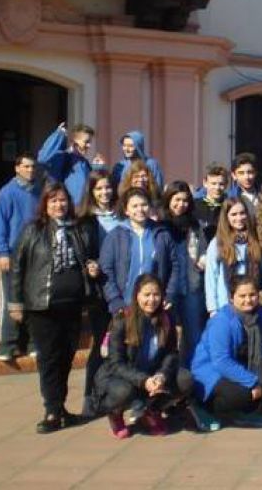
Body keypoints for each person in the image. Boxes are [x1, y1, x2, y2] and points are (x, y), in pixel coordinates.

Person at [9, 183, 99, 433]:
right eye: (53, 201)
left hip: (71, 306)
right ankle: (51, 410)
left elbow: (86, 258)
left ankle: (60, 408)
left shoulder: (77, 230)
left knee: (66, 357)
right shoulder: (33, 230)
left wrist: (91, 268)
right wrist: (15, 303)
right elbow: (18, 267)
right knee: (49, 359)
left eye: (62, 201)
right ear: (45, 206)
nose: (59, 205)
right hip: (42, 306)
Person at [91, 274, 193, 438]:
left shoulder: (167, 319)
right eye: (146, 295)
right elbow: (116, 363)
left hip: (152, 374)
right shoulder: (122, 320)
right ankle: (115, 414)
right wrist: (143, 380)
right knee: (124, 391)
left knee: (185, 380)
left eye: (156, 295)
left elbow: (171, 354)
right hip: (121, 376)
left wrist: (161, 376)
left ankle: (152, 411)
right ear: (137, 295)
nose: (151, 300)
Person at [191, 275, 262, 428]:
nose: (248, 300)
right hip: (212, 373)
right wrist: (252, 381)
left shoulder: (261, 314)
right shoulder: (222, 321)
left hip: (242, 364)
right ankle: (203, 407)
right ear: (232, 298)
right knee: (244, 394)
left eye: (252, 295)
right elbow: (221, 361)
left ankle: (243, 411)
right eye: (242, 296)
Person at [76, 169, 120, 414]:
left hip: (123, 289)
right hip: (99, 292)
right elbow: (81, 254)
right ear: (92, 192)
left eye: (108, 188)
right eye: (99, 189)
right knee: (100, 344)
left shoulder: (121, 215)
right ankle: (90, 398)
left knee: (123, 345)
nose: (105, 192)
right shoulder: (84, 220)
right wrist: (89, 266)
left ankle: (119, 397)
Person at [0, 153, 41, 362]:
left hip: (35, 253)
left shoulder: (39, 191)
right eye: (26, 166)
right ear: (17, 168)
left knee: (32, 298)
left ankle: (31, 342)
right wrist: (2, 251)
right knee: (12, 298)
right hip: (12, 253)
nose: (30, 170)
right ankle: (7, 345)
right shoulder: (7, 193)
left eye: (33, 167)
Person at [100, 187, 178, 315]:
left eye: (144, 205)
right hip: (125, 305)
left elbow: (174, 266)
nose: (140, 210)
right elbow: (106, 270)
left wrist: (170, 294)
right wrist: (114, 299)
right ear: (126, 210)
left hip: (154, 303)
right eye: (134, 206)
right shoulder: (115, 236)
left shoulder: (162, 234)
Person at [161, 181, 208, 367]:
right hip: (168, 288)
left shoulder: (195, 225)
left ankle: (192, 374)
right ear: (168, 200)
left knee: (194, 334)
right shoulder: (161, 224)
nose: (181, 204)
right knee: (167, 334)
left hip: (192, 286)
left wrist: (203, 258)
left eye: (185, 200)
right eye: (177, 200)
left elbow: (203, 248)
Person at [204, 197, 262, 314]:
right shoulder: (217, 243)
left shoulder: (254, 240)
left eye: (242, 213)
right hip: (226, 302)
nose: (239, 218)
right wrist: (212, 308)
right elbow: (211, 277)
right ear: (226, 217)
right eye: (234, 214)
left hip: (252, 301)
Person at [37, 122, 102, 205]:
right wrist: (59, 134)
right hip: (68, 211)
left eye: (90, 142)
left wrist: (97, 168)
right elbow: (43, 158)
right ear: (75, 141)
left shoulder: (85, 163)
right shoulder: (64, 158)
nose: (89, 145)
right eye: (86, 142)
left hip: (83, 212)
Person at [194, 163, 229, 244]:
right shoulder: (194, 206)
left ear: (226, 184)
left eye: (221, 184)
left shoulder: (229, 206)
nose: (217, 188)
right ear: (205, 183)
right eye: (213, 183)